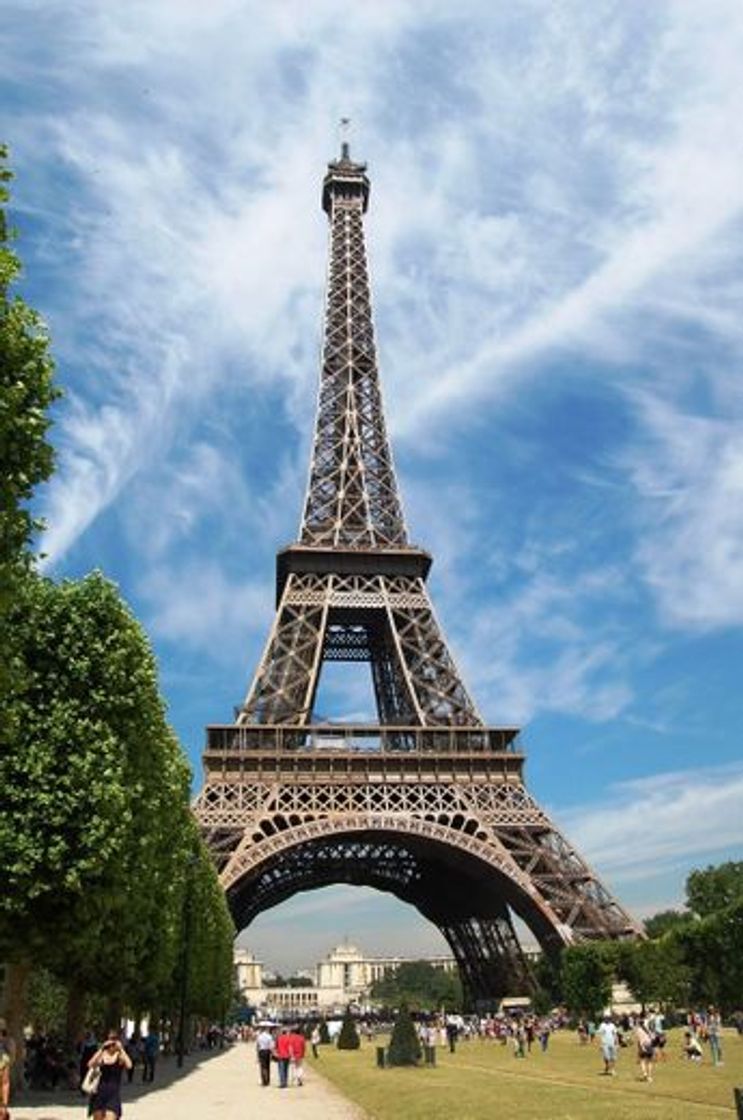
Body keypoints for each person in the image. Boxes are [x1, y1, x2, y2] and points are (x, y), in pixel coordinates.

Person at [86, 1030, 132, 1120]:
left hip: (113, 1095)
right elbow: (90, 1064)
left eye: (114, 1039)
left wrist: (121, 1049)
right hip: (99, 1093)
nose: (111, 1043)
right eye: (110, 1039)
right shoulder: (102, 1055)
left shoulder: (120, 1056)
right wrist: (102, 1049)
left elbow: (129, 1065)